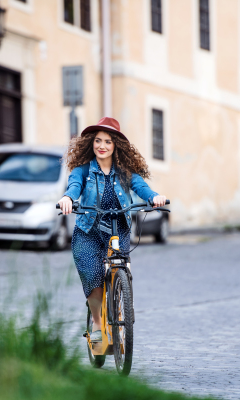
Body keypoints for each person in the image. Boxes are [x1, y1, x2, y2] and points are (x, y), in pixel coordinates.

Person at [58, 117, 167, 342]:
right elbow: (74, 185)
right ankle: (97, 325)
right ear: (91, 144)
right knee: (93, 276)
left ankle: (123, 297)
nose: (102, 146)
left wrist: (154, 197)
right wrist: (68, 198)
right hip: (88, 230)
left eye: (107, 141)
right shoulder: (83, 169)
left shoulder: (125, 171)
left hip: (118, 228)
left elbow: (141, 186)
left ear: (116, 145)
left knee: (120, 266)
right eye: (98, 141)